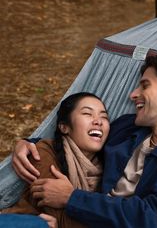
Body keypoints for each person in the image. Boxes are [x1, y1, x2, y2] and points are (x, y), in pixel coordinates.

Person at [11, 54, 157, 227]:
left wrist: (72, 198)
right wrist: (28, 142)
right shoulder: (127, 127)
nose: (133, 94)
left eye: (145, 86)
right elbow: (81, 138)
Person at [1, 92, 110, 228]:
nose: (98, 121)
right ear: (64, 127)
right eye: (87, 114)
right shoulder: (43, 152)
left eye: (104, 117)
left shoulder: (107, 172)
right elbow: (61, 219)